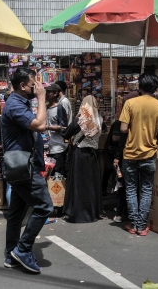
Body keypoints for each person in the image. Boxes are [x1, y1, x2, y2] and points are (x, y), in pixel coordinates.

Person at [1, 67, 53, 274]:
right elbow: (40, 125)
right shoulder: (15, 105)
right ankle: (22, 250)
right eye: (34, 85)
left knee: (16, 213)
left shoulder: (19, 103)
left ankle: (11, 255)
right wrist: (42, 98)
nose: (37, 87)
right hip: (23, 168)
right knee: (44, 207)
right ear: (23, 86)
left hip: (23, 166)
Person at [119, 73, 158, 236]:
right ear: (155, 88)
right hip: (149, 153)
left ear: (139, 86)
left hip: (130, 153)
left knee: (131, 189)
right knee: (146, 189)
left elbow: (123, 129)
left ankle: (133, 225)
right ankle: (142, 226)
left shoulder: (130, 103)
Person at [61, 95, 103, 223]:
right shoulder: (100, 120)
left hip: (80, 154)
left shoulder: (81, 120)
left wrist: (74, 121)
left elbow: (66, 134)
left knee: (79, 184)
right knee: (91, 184)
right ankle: (93, 213)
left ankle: (80, 214)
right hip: (93, 155)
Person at [45, 84, 69, 177]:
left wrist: (47, 127)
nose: (46, 94)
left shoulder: (59, 108)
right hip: (49, 147)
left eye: (48, 92)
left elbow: (63, 127)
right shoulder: (46, 108)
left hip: (58, 147)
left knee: (58, 174)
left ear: (55, 93)